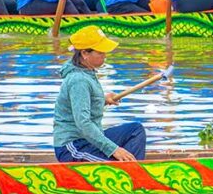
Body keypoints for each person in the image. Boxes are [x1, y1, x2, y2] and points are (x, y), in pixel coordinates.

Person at [53, 26, 146, 163]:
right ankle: (133, 174)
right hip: (73, 147)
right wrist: (114, 149)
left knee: (135, 130)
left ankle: (133, 170)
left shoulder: (87, 72)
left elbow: (83, 100)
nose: (105, 56)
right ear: (85, 53)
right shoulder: (78, 80)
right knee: (114, 163)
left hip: (89, 140)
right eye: (100, 53)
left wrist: (102, 99)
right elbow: (83, 123)